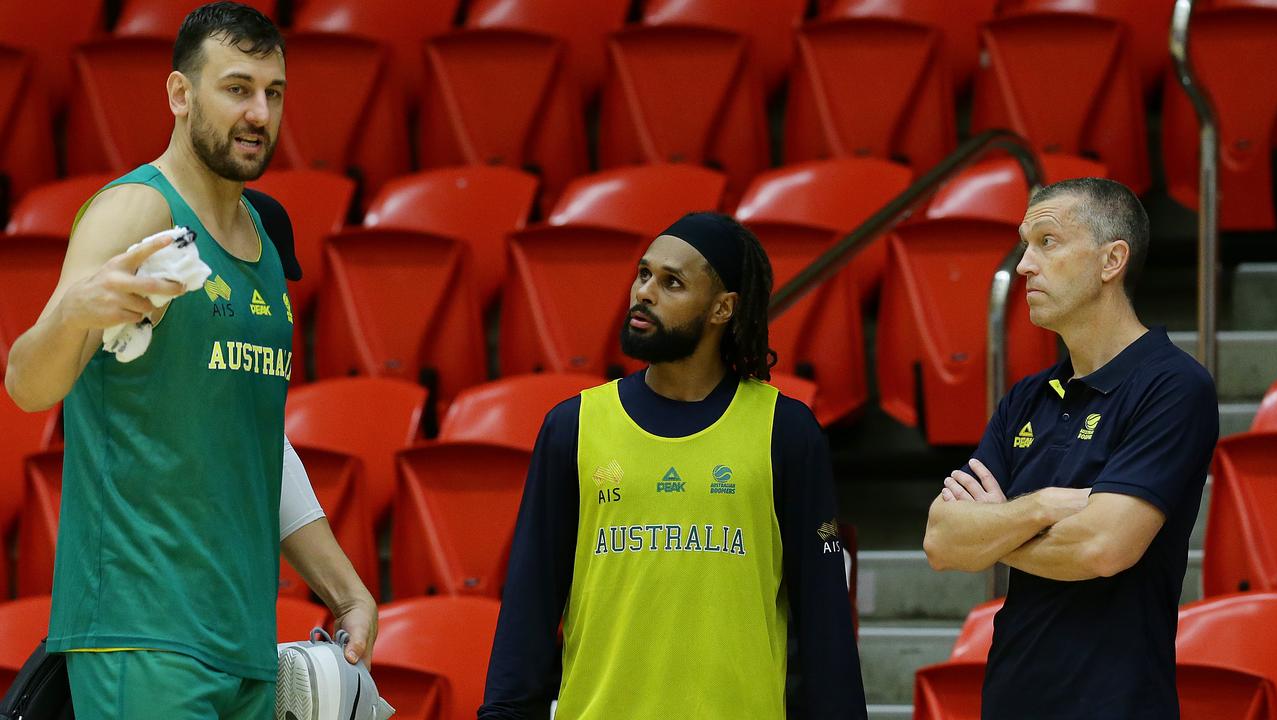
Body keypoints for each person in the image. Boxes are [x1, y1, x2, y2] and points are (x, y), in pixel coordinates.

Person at [3, 3, 376, 718]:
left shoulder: (266, 235)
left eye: (274, 92)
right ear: (180, 94)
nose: (259, 113)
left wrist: (346, 589)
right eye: (236, 88)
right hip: (142, 634)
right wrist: (77, 309)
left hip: (243, 642)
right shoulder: (136, 212)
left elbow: (257, 438)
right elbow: (26, 384)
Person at [479, 212, 866, 719]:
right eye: (643, 274)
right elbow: (528, 607)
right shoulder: (572, 426)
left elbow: (825, 619)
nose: (644, 292)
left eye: (672, 282)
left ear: (722, 308)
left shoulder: (786, 432)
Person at [922, 178, 1218, 719]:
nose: (1025, 266)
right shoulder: (1025, 398)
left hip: (1116, 704)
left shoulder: (1174, 386)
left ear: (1112, 261)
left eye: (1048, 241)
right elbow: (941, 541)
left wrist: (993, 532)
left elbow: (1102, 547)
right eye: (1025, 244)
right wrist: (1041, 506)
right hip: (1012, 698)